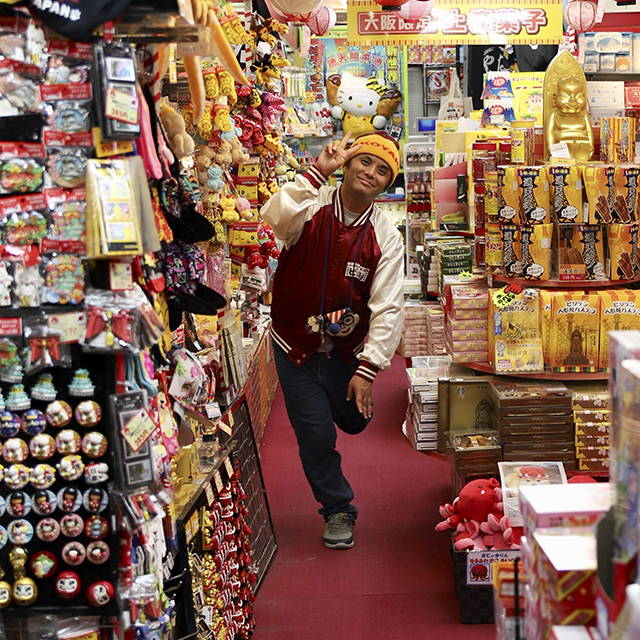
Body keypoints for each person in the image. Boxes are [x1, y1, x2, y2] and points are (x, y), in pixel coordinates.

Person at [261, 131, 405, 549]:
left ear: (386, 183)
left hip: (347, 351)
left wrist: (369, 368)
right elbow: (274, 218)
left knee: (354, 422)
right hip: (295, 347)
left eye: (382, 171)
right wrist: (314, 173)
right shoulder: (312, 205)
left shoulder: (386, 237)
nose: (370, 173)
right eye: (364, 162)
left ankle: (344, 399)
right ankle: (338, 507)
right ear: (347, 164)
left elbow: (389, 306)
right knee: (316, 436)